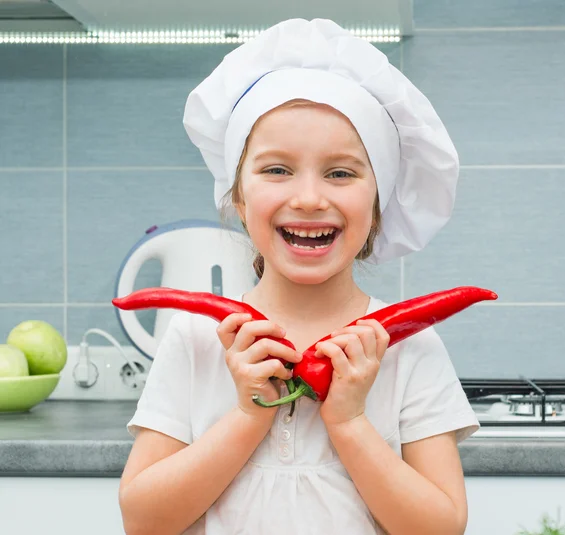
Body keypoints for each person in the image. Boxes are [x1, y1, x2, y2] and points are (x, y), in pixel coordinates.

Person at [118, 18, 480, 535]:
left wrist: (350, 423)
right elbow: (143, 521)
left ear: (376, 207)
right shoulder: (198, 341)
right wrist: (248, 415)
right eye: (276, 170)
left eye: (341, 172)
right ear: (238, 199)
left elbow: (441, 528)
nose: (309, 197)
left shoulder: (409, 350)